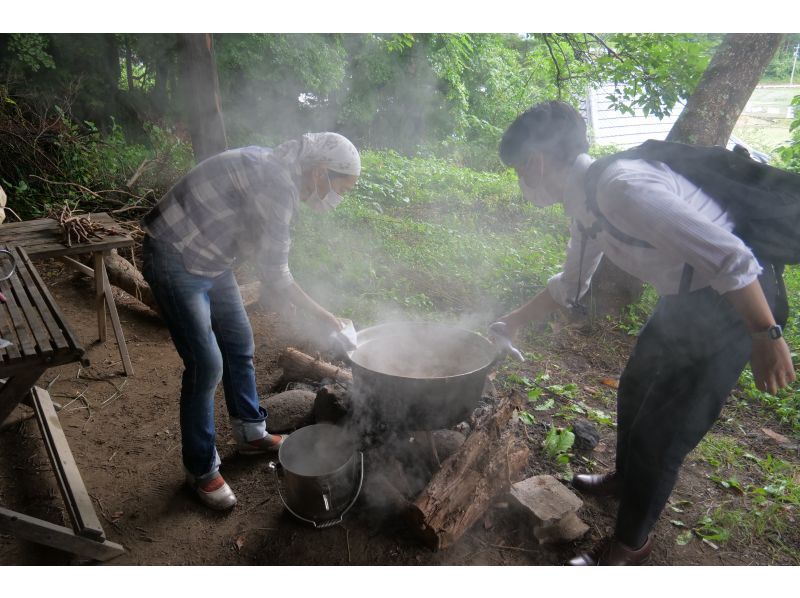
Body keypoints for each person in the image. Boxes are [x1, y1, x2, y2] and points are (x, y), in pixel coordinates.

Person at [496, 101, 795, 565]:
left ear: (535, 161)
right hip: (685, 299)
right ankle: (624, 480)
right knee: (634, 388)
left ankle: (630, 546)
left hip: (734, 304)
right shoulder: (586, 201)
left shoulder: (622, 188)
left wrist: (767, 335)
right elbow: (570, 281)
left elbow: (732, 260)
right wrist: (510, 323)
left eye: (517, 169)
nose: (520, 181)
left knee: (663, 431)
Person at [141, 132, 360, 511]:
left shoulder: (283, 168)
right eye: (343, 187)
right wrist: (326, 316)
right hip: (174, 254)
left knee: (240, 341)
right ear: (321, 172)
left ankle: (249, 433)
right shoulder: (275, 185)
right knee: (206, 363)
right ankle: (201, 469)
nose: (340, 196)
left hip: (213, 259)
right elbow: (276, 275)